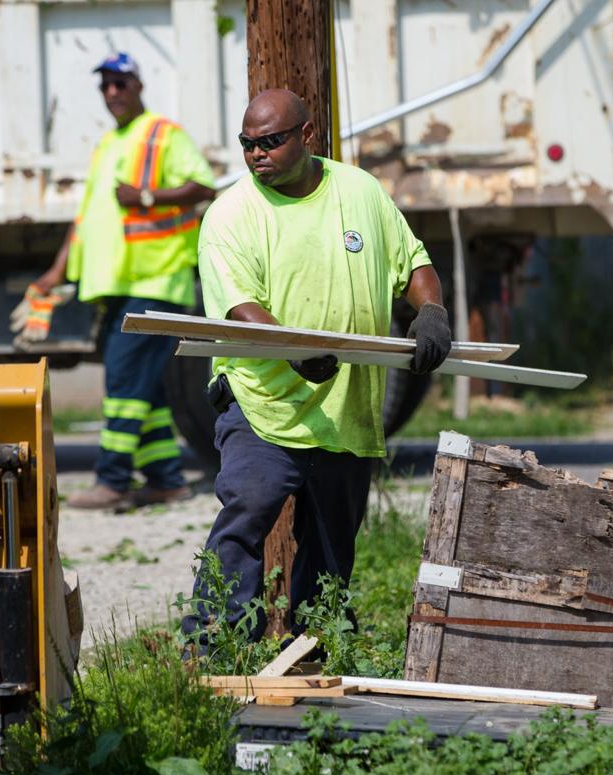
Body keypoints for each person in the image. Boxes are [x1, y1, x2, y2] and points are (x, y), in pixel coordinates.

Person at [180, 89, 452, 644]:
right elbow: (240, 307)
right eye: (247, 144)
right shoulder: (232, 213)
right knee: (248, 508)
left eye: (270, 142)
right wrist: (294, 347)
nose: (257, 154)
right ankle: (215, 641)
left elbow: (413, 261)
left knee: (332, 542)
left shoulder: (360, 192)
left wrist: (431, 312)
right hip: (263, 402)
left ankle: (317, 645)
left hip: (343, 409)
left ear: (307, 136)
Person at [24, 52, 216, 510]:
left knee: (123, 380)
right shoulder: (109, 143)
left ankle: (112, 480)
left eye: (120, 83)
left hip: (155, 280)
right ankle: (167, 479)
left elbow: (203, 186)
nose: (112, 92)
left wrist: (146, 196)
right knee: (141, 387)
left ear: (138, 86)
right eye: (105, 85)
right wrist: (56, 271)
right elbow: (88, 217)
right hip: (116, 284)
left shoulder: (162, 134)